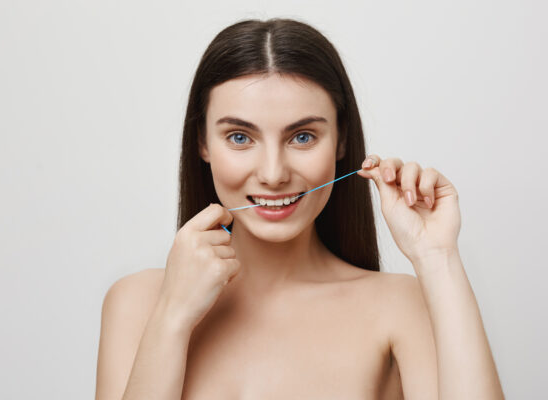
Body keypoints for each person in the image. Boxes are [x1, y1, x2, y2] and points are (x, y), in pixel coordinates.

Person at [95, 18, 504, 400]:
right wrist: (172, 317)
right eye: (239, 137)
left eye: (303, 137)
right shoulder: (138, 303)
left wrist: (437, 257)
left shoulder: (400, 307)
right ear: (202, 142)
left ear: (341, 141)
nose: (273, 174)